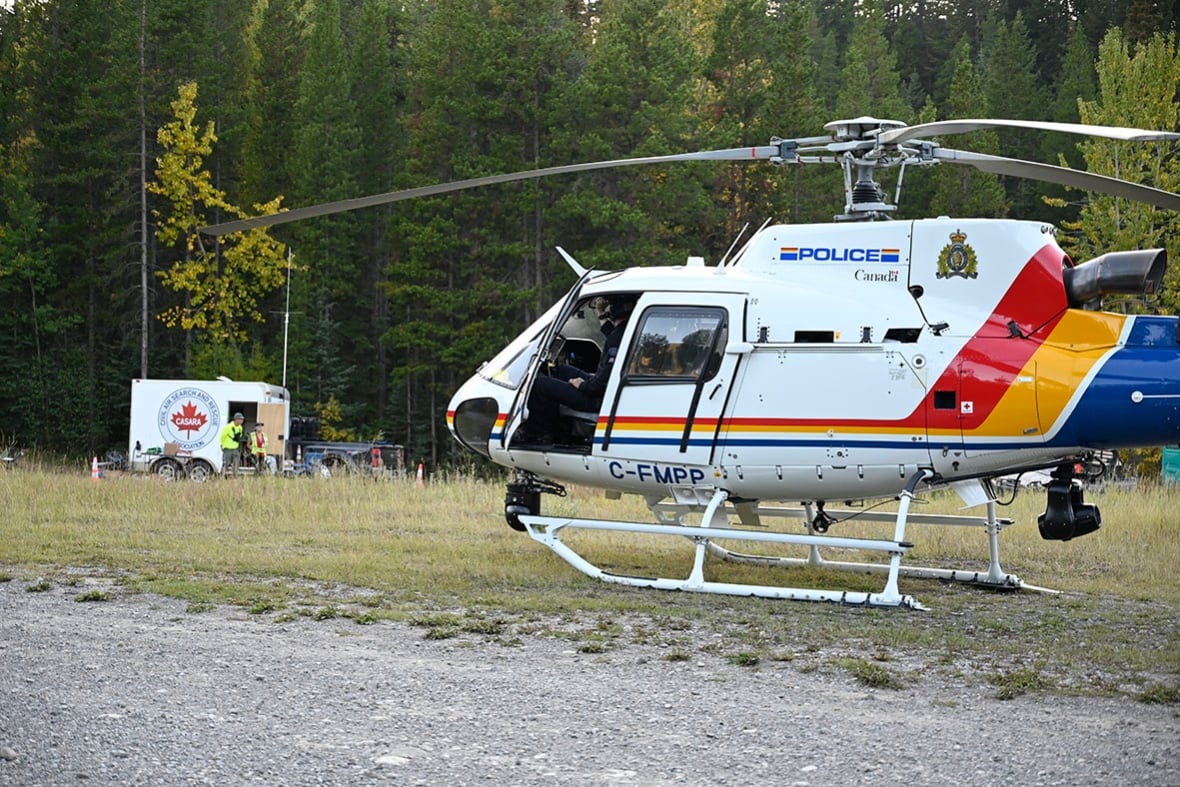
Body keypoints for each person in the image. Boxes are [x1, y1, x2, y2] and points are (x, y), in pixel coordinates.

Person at [515, 294, 637, 444]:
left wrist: (582, 385)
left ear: (615, 309)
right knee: (561, 371)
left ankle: (541, 434)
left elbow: (599, 385)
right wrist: (600, 313)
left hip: (600, 398)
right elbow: (612, 335)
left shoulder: (618, 338)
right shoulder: (629, 331)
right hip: (607, 391)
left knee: (539, 385)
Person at [220, 412, 246, 477]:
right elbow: (222, 436)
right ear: (236, 419)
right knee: (226, 463)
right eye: (240, 419)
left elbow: (239, 437)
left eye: (242, 420)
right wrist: (222, 445)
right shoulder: (228, 427)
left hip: (236, 448)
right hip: (227, 448)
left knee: (236, 463)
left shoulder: (240, 427)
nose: (242, 421)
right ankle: (223, 476)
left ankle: (235, 476)